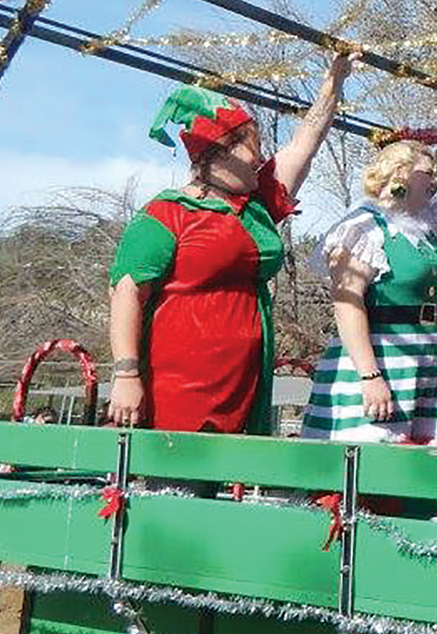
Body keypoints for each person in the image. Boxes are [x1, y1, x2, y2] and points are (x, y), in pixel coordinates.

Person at [106, 54, 352, 434]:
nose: (260, 158)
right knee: (180, 467)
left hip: (245, 380)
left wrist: (332, 86)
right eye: (252, 146)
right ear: (219, 154)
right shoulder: (166, 213)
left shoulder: (256, 205)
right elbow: (126, 292)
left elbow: (304, 145)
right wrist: (126, 375)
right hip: (179, 382)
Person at [298, 137, 437, 444]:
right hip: (381, 359)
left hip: (427, 359)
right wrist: (370, 376)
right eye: (428, 173)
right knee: (374, 458)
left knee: (429, 459)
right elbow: (347, 303)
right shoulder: (363, 228)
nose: (436, 181)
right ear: (400, 173)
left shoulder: (429, 228)